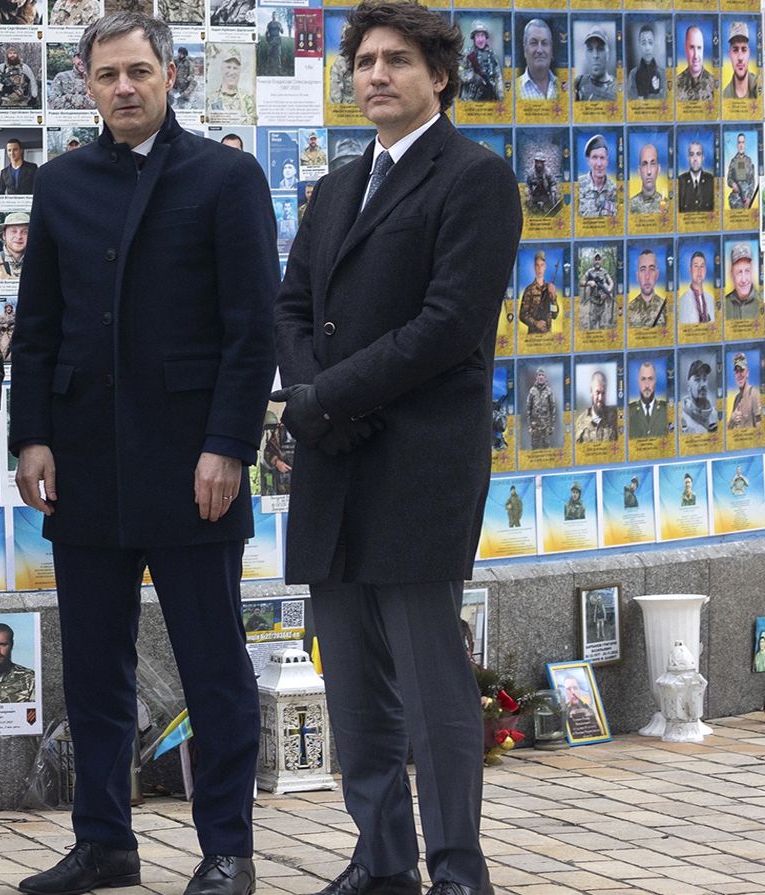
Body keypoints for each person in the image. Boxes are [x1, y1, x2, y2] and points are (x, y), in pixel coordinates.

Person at [8, 12, 274, 895]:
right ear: (85, 84)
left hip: (195, 464)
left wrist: (230, 444)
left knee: (213, 663)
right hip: (84, 463)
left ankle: (227, 848)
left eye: (139, 72)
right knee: (93, 665)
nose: (124, 88)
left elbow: (251, 327)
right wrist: (32, 433)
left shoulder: (226, 177)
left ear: (170, 76)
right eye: (106, 75)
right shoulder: (60, 183)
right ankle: (104, 842)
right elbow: (38, 325)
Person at [272, 3, 521, 894]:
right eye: (365, 62)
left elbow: (448, 326)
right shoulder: (338, 186)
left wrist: (328, 397)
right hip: (336, 459)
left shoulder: (476, 179)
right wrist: (314, 399)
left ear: (439, 75)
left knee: (430, 683)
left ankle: (458, 866)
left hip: (418, 463)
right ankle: (381, 859)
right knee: (354, 686)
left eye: (397, 61)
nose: (376, 75)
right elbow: (291, 306)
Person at [517, 251, 559, 335]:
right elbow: (522, 315)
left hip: (547, 336)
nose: (539, 268)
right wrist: (536, 323)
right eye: (537, 265)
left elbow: (555, 315)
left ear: (545, 267)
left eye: (542, 265)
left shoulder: (550, 289)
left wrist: (553, 298)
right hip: (533, 337)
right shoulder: (529, 290)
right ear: (534, 267)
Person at [575, 135, 617, 220]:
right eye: (594, 158)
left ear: (607, 161)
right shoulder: (576, 187)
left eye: (602, 158)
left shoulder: (615, 190)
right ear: (588, 161)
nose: (599, 164)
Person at [626, 361, 670, 441]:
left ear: (655, 380)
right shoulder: (629, 412)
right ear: (638, 382)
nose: (646, 385)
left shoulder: (666, 411)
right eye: (643, 379)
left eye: (650, 379)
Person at [516, 18, 557, 100]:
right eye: (534, 43)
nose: (539, 50)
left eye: (544, 43)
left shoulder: (565, 88)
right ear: (525, 49)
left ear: (551, 50)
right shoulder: (513, 91)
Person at [574, 370, 618, 444]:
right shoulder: (581, 422)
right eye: (597, 393)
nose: (600, 398)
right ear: (591, 391)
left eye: (603, 393)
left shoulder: (615, 418)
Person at [459, 23, 498, 102]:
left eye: (482, 35)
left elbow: (498, 76)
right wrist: (473, 77)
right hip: (469, 101)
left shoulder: (492, 55)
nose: (480, 39)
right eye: (477, 36)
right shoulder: (467, 53)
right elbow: (459, 72)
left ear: (486, 38)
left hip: (488, 99)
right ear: (473, 38)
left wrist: (500, 97)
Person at [577, 252, 615, 331]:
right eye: (596, 259)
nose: (597, 261)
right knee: (592, 327)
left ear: (601, 261)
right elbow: (581, 282)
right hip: (593, 304)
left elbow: (611, 282)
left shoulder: (605, 272)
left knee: (603, 327)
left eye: (599, 259)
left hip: (603, 304)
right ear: (593, 261)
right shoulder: (589, 272)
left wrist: (608, 290)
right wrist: (589, 283)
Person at [574, 29, 616, 101]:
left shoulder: (618, 88)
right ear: (586, 55)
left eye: (600, 49)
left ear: (608, 54)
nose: (595, 55)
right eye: (590, 49)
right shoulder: (579, 82)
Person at [628, 142, 667, 216]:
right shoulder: (630, 207)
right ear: (639, 171)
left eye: (652, 164)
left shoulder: (667, 206)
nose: (649, 171)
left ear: (658, 169)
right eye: (645, 164)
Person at [678, 141, 715, 213]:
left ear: (703, 157)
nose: (695, 159)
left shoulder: (711, 181)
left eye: (698, 154)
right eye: (692, 154)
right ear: (688, 158)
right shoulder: (680, 182)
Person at [677, 26, 713, 101]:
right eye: (692, 47)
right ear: (685, 48)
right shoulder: (675, 85)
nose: (696, 55)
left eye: (699, 48)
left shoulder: (714, 85)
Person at [0, 213, 28, 282]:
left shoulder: (41, 262)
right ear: (4, 235)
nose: (19, 236)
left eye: (25, 232)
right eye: (14, 231)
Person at [628, 24, 663, 99]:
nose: (647, 48)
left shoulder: (662, 74)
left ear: (654, 45)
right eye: (644, 43)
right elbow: (631, 102)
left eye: (650, 42)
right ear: (639, 45)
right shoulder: (633, 74)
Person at [730, 353, 762, 430]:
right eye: (737, 371)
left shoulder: (754, 394)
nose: (739, 374)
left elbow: (760, 429)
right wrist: (732, 419)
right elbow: (730, 431)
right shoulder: (737, 398)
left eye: (741, 370)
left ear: (747, 373)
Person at [728, 245, 758, 321]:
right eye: (739, 272)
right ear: (732, 275)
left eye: (747, 271)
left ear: (752, 271)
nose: (744, 280)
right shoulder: (724, 304)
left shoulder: (762, 301)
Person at [728, 133, 757, 209]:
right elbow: (729, 179)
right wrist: (733, 184)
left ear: (745, 144)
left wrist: (749, 198)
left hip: (747, 200)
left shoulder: (749, 161)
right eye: (739, 142)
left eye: (743, 142)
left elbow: (752, 181)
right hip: (736, 200)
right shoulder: (733, 161)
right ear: (737, 145)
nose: (741, 145)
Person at [724, 23, 752, 99]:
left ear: (749, 53)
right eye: (735, 50)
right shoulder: (724, 97)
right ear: (729, 54)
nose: (740, 57)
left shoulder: (760, 87)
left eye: (744, 50)